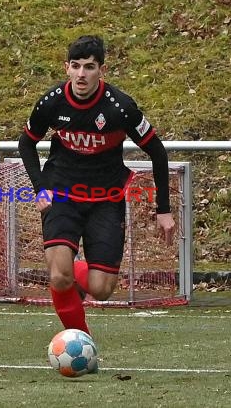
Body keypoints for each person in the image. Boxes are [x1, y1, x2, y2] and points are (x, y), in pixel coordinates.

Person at [18, 35, 175, 337]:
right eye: (75, 66)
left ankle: (77, 277)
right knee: (59, 276)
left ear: (101, 69)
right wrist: (40, 186)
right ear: (66, 68)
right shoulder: (51, 103)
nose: (81, 74)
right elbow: (27, 143)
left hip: (106, 198)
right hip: (61, 193)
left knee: (101, 289)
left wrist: (163, 210)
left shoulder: (121, 107)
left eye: (89, 67)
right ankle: (81, 342)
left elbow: (157, 152)